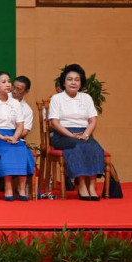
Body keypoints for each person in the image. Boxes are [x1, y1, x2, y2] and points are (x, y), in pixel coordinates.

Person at [48, 63, 105, 201]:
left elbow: (93, 121)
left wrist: (86, 134)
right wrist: (71, 135)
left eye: (77, 80)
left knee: (94, 146)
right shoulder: (57, 98)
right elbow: (54, 123)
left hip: (84, 133)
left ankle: (92, 186)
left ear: (81, 83)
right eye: (69, 79)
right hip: (62, 134)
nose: (73, 82)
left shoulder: (86, 98)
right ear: (64, 82)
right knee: (78, 145)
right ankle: (82, 185)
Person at [0, 72, 35, 201]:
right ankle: (8, 186)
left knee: (22, 148)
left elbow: (20, 125)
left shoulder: (15, 103)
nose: (8, 84)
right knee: (8, 147)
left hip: (12, 134)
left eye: (9, 81)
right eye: (3, 82)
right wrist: (1, 137)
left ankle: (22, 188)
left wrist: (15, 137)